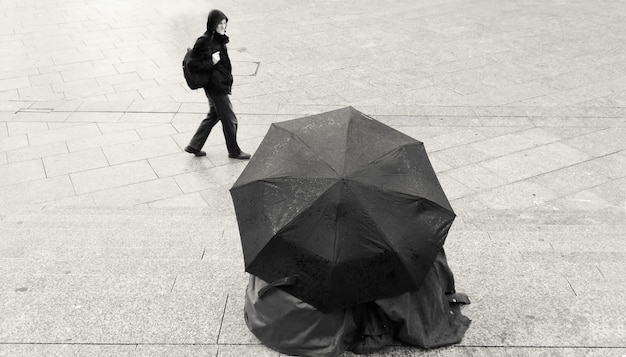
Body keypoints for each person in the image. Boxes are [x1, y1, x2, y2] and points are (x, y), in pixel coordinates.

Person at [185, 9, 251, 160]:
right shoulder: (204, 40)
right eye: (219, 23)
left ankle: (194, 145)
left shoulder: (219, 38)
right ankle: (234, 151)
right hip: (215, 87)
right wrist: (211, 62)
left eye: (224, 22)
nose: (222, 26)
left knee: (214, 115)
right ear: (212, 24)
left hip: (220, 83)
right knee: (230, 119)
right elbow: (193, 64)